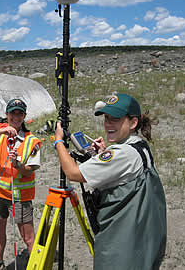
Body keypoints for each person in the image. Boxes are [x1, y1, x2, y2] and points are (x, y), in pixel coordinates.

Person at [53, 93, 167, 270]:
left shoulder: (122, 155)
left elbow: (73, 173)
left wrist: (58, 141)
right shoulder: (140, 146)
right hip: (143, 238)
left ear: (133, 123)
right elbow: (123, 174)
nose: (108, 125)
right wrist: (101, 155)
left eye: (115, 119)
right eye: (106, 119)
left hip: (123, 245)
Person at [0, 98, 42, 270]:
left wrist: (18, 165)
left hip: (19, 198)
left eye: (19, 113)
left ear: (24, 116)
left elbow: (30, 170)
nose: (16, 117)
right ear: (6, 115)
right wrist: (0, 132)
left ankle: (38, 266)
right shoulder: (0, 136)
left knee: (28, 238)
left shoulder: (31, 141)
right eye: (12, 113)